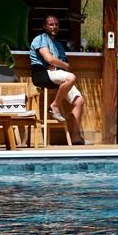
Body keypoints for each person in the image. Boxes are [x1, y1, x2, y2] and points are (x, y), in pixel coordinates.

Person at [30, 14, 85, 143]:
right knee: (71, 77)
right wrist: (64, 64)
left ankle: (75, 136)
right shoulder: (40, 39)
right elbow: (49, 59)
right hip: (42, 74)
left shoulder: (59, 45)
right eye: (51, 24)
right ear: (44, 26)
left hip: (56, 74)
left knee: (79, 101)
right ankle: (55, 105)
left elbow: (57, 63)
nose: (54, 27)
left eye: (56, 24)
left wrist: (58, 64)